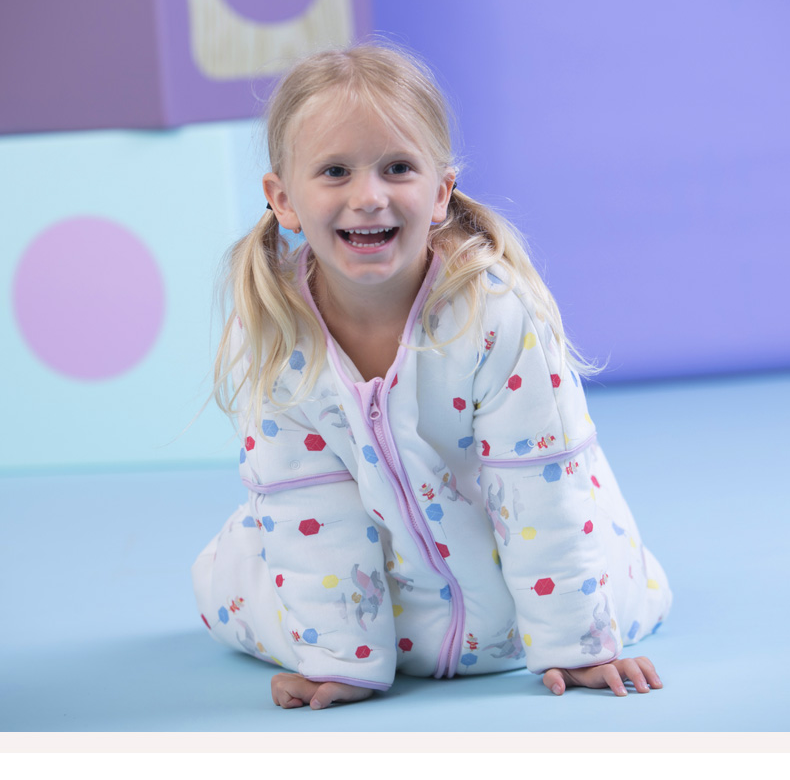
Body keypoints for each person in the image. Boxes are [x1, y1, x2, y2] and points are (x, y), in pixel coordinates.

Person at [192, 41, 672, 711]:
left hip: (514, 604)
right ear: (284, 199)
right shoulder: (274, 327)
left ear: (441, 192)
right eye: (334, 171)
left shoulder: (492, 312)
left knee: (600, 573)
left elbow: (542, 489)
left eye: (397, 168)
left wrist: (575, 643)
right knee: (231, 576)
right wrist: (341, 659)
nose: (368, 197)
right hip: (387, 608)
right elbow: (306, 506)